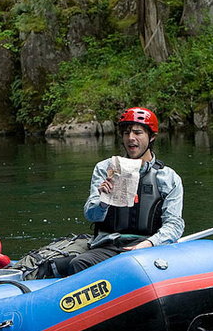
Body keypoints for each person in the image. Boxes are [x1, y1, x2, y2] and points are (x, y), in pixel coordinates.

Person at [61, 107, 185, 275]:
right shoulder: (105, 168)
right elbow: (91, 215)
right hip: (110, 246)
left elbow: (174, 224)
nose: (131, 138)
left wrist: (148, 244)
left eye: (137, 132)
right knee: (79, 263)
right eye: (126, 133)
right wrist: (103, 202)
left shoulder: (168, 177)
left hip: (148, 247)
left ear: (152, 137)